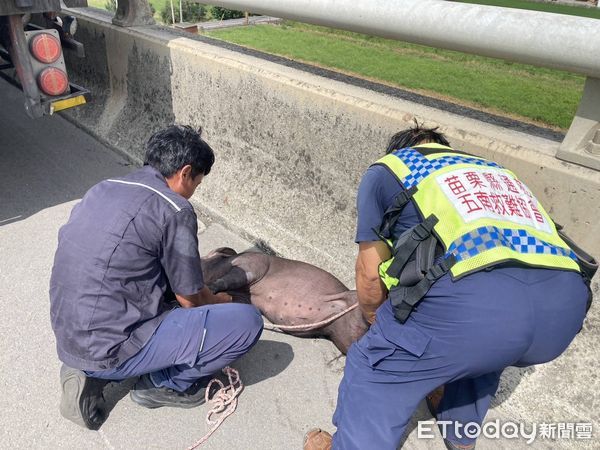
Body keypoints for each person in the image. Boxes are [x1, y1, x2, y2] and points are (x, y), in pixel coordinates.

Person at [304, 124, 593, 450]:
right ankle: (460, 437)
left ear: (397, 151)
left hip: (477, 315)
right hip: (562, 317)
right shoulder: (494, 172)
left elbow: (369, 274)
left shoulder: (391, 169)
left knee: (373, 370)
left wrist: (378, 325)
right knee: (486, 351)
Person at [50, 125, 263, 430]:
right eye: (197, 183)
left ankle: (84, 369)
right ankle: (163, 383)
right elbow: (191, 299)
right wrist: (219, 300)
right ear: (185, 172)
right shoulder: (175, 209)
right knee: (245, 323)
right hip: (110, 347)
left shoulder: (105, 186)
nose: (194, 191)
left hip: (68, 336)